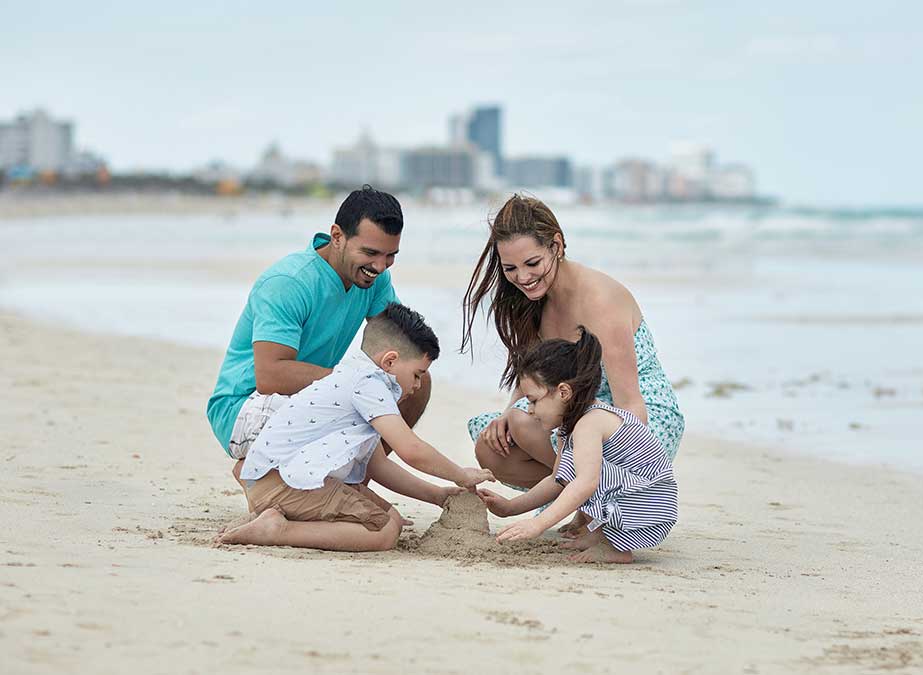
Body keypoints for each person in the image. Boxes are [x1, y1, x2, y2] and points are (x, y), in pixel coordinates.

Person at [462, 194, 684, 533]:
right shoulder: (533, 300)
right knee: (494, 443)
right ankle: (586, 496)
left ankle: (599, 509)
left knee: (527, 424)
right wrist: (508, 413)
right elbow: (535, 377)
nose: (523, 277)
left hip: (637, 420)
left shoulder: (598, 300)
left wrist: (623, 468)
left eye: (532, 263)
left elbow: (631, 405)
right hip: (576, 407)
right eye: (511, 269)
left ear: (557, 244)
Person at [215, 303, 495, 551]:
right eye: (417, 374)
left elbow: (377, 465)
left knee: (393, 518)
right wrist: (460, 475)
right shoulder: (368, 385)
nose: (418, 385)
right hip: (283, 483)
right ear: (390, 361)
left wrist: (436, 494)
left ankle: (275, 515)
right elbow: (411, 449)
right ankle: (278, 530)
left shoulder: (353, 375)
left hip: (276, 479)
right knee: (384, 532)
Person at [207, 185, 430, 471]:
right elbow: (270, 376)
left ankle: (355, 477)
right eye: (371, 252)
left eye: (390, 255)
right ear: (337, 237)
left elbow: (402, 349)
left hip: (311, 395)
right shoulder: (289, 283)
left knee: (416, 380)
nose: (380, 266)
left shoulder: (375, 280)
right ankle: (264, 479)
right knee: (363, 390)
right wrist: (355, 381)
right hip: (245, 406)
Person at [478, 327, 678, 564]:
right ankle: (603, 535)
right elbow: (557, 480)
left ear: (563, 392)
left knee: (585, 475)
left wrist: (538, 524)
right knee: (572, 470)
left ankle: (615, 547)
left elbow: (585, 483)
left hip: (650, 505)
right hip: (636, 500)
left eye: (533, 400)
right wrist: (511, 507)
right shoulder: (569, 426)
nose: (529, 409)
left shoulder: (590, 422)